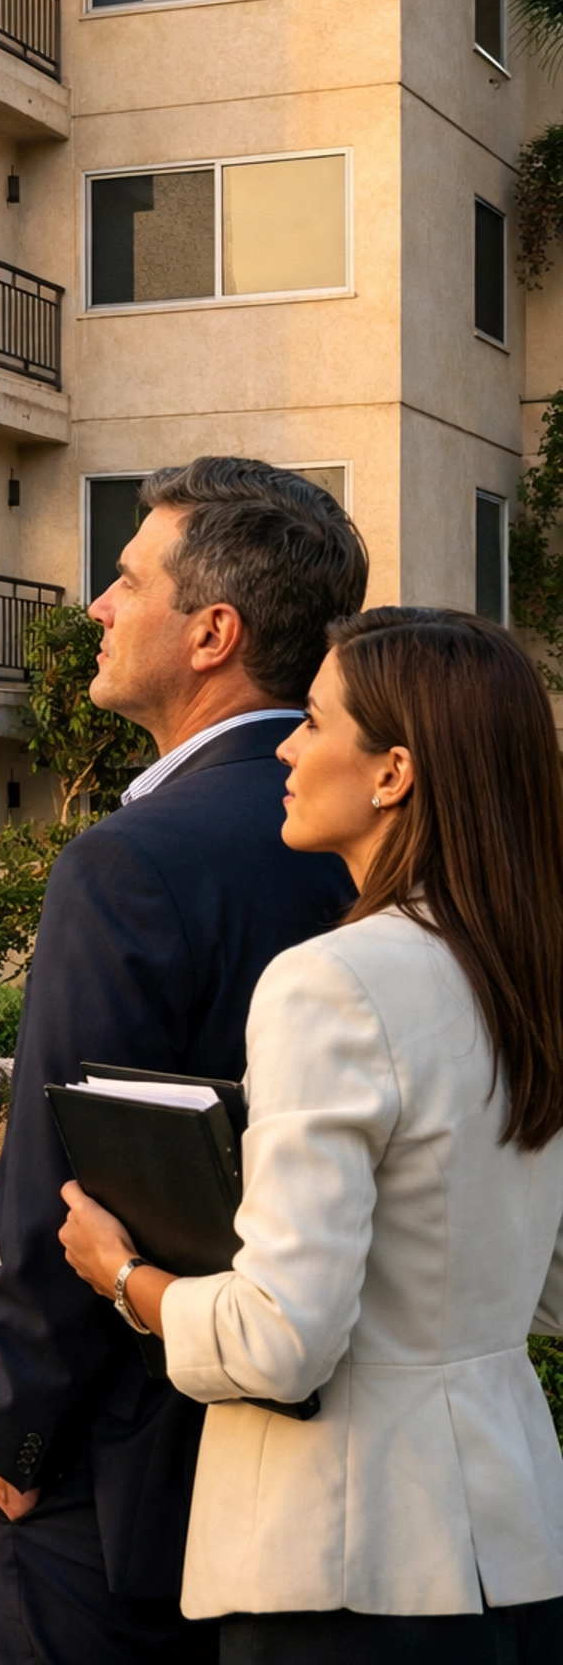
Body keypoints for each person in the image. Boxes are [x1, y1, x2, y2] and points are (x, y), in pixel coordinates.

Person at [59, 608, 563, 1661]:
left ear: (393, 774)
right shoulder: (525, 974)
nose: (284, 745)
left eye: (316, 722)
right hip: (515, 1548)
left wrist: (121, 1276)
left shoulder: (330, 981)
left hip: (343, 1564)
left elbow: (282, 1342)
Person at [0, 458, 368, 1665]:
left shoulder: (132, 861)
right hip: (321, 1461)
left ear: (212, 633)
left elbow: (60, 1190)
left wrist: (13, 1435)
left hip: (113, 1476)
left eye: (127, 581)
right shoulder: (384, 839)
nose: (98, 608)